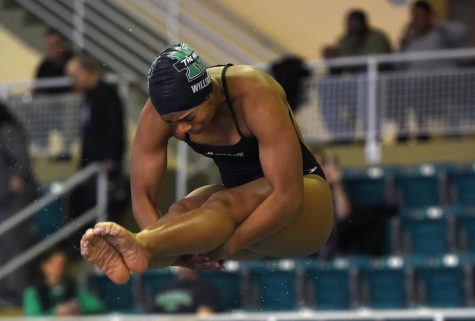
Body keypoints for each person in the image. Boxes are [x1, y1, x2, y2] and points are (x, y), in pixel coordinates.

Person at [80, 43, 333, 284]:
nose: (182, 128)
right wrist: (181, 257)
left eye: (188, 117)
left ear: (210, 93)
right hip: (240, 200)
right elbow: (143, 198)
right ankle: (133, 251)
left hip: (305, 205)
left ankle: (145, 246)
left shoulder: (254, 93)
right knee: (180, 212)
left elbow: (287, 195)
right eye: (173, 122)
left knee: (222, 204)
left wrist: (225, 248)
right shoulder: (160, 112)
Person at [392, 0, 468, 141]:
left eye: (420, 16)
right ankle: (419, 131)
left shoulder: (440, 33)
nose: (416, 20)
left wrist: (439, 23)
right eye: (414, 16)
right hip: (419, 89)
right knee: (402, 92)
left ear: (429, 16)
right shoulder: (410, 42)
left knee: (450, 96)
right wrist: (402, 45)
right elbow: (398, 67)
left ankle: (454, 133)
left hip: (444, 84)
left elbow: (462, 31)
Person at [66, 55, 127, 222]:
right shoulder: (88, 95)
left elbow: (115, 127)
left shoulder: (107, 94)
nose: (73, 81)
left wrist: (111, 158)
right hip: (90, 163)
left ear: (86, 72)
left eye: (74, 75)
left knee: (103, 214)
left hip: (104, 166)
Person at [319, 9, 392, 141]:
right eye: (349, 23)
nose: (352, 27)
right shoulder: (343, 40)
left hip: (377, 88)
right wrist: (331, 60)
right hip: (352, 88)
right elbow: (338, 71)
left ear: (364, 23)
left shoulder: (377, 37)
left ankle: (371, 136)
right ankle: (341, 136)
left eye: (355, 23)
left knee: (365, 77)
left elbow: (382, 65)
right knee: (324, 81)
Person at [0, 103, 38, 305]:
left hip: (15, 200)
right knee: (4, 248)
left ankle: (15, 294)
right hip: (4, 201)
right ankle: (6, 292)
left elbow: (20, 158)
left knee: (13, 247)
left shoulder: (6, 129)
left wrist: (16, 178)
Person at [23, 248, 105, 316]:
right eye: (53, 264)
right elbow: (33, 317)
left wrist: (78, 309)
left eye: (61, 264)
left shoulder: (72, 286)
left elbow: (96, 306)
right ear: (44, 266)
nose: (57, 268)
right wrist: (55, 313)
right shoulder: (33, 292)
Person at [150, 267, 220, 314]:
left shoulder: (206, 288)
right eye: (179, 264)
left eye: (185, 264)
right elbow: (152, 314)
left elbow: (205, 313)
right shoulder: (165, 287)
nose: (181, 268)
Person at [34, 29, 73, 95]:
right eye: (48, 46)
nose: (51, 49)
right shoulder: (44, 66)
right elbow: (35, 90)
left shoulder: (73, 62)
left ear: (62, 46)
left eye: (54, 45)